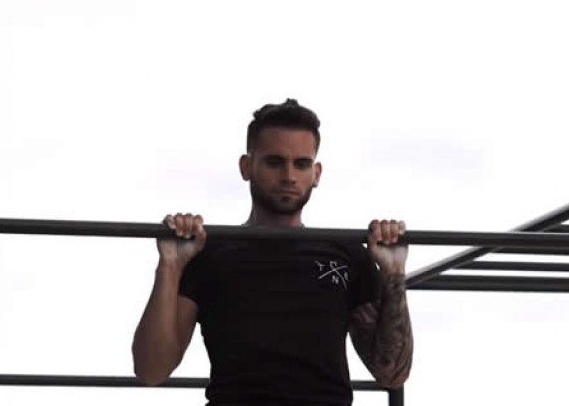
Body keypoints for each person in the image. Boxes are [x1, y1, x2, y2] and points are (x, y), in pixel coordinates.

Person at [132, 99, 413, 405]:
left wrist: (394, 273)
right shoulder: (209, 254)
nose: (288, 175)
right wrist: (170, 265)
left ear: (316, 173)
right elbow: (151, 371)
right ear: (246, 166)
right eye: (275, 162)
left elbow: (392, 374)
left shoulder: (346, 253)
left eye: (301, 164)